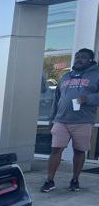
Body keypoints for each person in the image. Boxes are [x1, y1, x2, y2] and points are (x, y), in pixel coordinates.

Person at [41, 48, 99, 192]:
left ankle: (75, 180)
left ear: (91, 60)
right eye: (77, 57)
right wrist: (51, 119)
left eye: (83, 57)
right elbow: (57, 99)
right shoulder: (66, 77)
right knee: (56, 149)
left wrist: (89, 98)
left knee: (79, 151)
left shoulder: (96, 75)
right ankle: (49, 180)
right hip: (61, 120)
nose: (78, 59)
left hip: (83, 121)